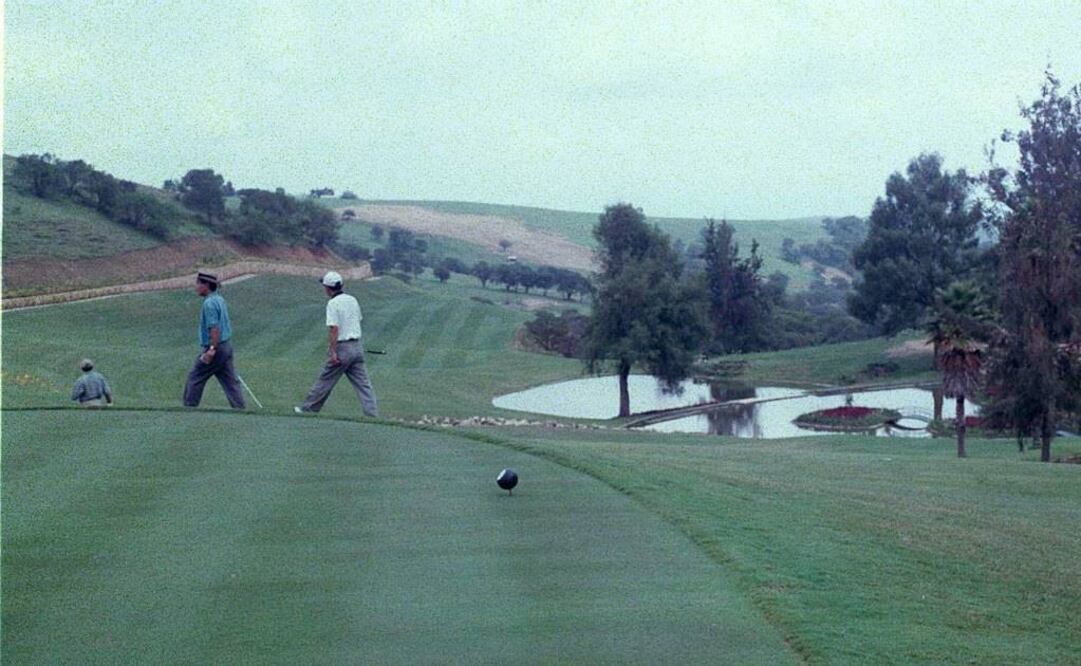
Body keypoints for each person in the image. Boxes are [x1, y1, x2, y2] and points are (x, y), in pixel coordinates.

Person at [295, 271, 379, 417]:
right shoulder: (352, 299)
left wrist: (333, 352)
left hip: (343, 348)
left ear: (328, 287)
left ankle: (307, 410)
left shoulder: (332, 304)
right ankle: (372, 414)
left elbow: (334, 329)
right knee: (364, 385)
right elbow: (357, 320)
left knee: (325, 380)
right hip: (357, 347)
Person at [183, 272, 246, 409]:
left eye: (198, 283)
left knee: (195, 376)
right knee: (230, 381)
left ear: (206, 285)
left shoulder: (209, 304)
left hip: (216, 348)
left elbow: (214, 328)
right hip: (226, 346)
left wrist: (211, 350)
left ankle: (188, 408)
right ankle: (240, 408)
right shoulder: (219, 299)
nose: (196, 287)